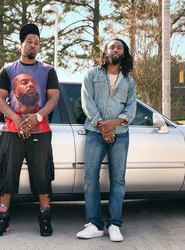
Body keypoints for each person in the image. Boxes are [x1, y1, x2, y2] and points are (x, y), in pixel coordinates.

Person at [0, 23, 60, 237]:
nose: (33, 45)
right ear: (21, 44)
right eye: (29, 41)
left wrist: (37, 116)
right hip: (12, 131)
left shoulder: (48, 70)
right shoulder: (8, 70)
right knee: (7, 176)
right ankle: (3, 218)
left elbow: (54, 98)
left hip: (41, 131)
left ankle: (45, 219)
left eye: (37, 43)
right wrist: (16, 119)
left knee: (42, 175)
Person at [76, 38, 137, 242]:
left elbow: (131, 109)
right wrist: (102, 125)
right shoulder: (92, 75)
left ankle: (114, 224)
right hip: (95, 133)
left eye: (119, 47)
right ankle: (94, 224)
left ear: (124, 53)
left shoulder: (129, 81)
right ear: (105, 51)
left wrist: (114, 124)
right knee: (90, 178)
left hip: (120, 134)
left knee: (118, 180)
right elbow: (87, 102)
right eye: (112, 46)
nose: (115, 50)